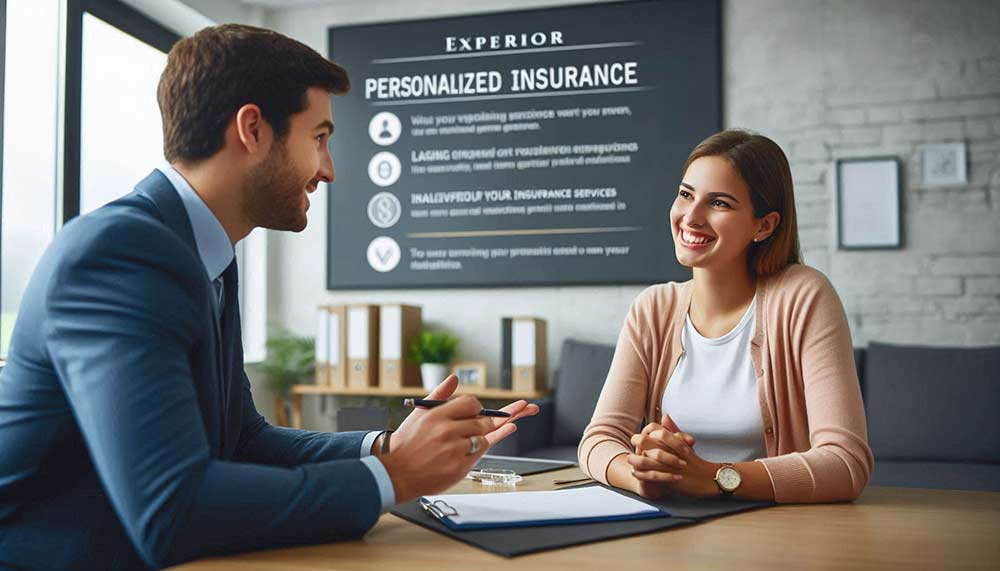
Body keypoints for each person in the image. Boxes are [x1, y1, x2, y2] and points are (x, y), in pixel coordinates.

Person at [0, 24, 537, 570]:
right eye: (320, 138)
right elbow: (174, 511)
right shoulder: (122, 253)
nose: (328, 170)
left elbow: (241, 440)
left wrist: (388, 449)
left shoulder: (205, 253)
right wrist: (395, 477)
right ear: (252, 129)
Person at [578, 130, 872, 503]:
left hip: (779, 535)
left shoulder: (803, 297)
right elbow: (598, 440)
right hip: (675, 531)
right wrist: (643, 477)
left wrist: (716, 478)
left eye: (719, 203)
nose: (692, 217)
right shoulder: (652, 308)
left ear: (763, 226)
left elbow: (847, 463)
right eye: (686, 194)